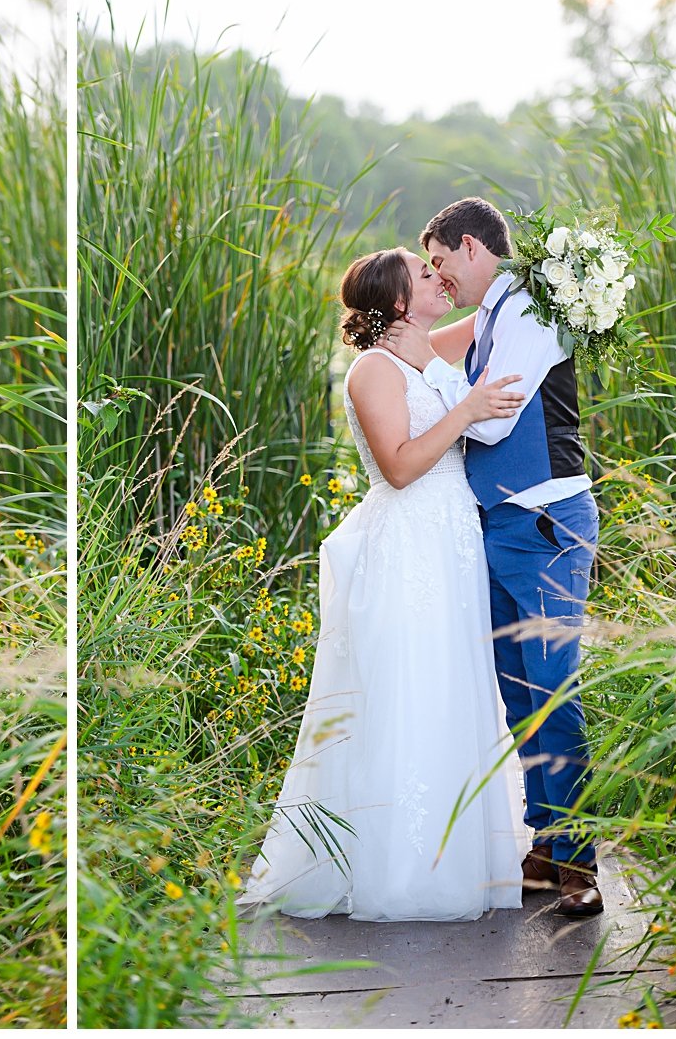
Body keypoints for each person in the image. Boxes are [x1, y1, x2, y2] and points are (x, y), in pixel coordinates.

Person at [242, 247, 529, 921]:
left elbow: (496, 315)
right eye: (425, 273)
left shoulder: (425, 350)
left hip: (451, 544)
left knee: (453, 689)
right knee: (407, 692)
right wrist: (465, 412)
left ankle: (453, 855)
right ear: (399, 302)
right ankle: (397, 870)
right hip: (407, 549)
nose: (438, 277)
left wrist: (549, 279)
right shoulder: (373, 368)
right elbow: (399, 467)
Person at [387, 197, 603, 918]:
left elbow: (501, 415)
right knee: (518, 692)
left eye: (442, 263)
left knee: (552, 687)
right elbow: (459, 377)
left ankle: (580, 860)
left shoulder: (534, 311)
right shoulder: (495, 316)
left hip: (544, 518)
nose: (440, 278)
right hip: (500, 522)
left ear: (471, 246)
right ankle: (546, 838)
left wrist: (447, 416)